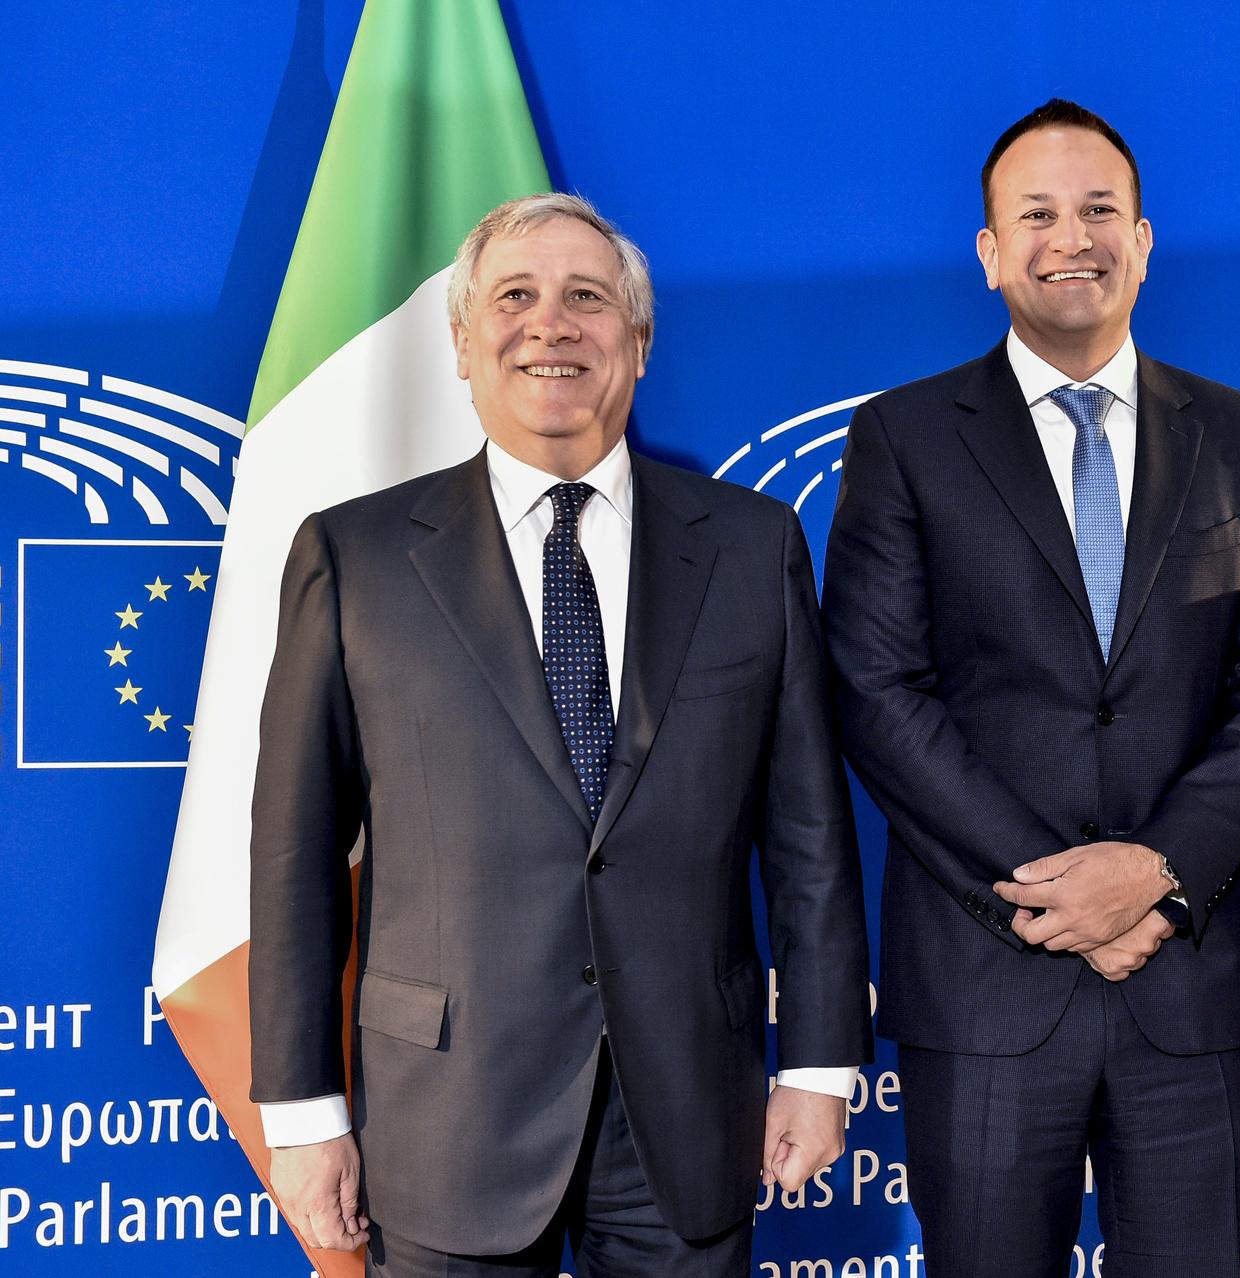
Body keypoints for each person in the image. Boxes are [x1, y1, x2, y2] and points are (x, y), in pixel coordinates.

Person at [248, 192, 872, 1277]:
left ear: (636, 342)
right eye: (515, 297)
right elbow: (296, 854)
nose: (552, 325)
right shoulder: (354, 558)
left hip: (685, 1107)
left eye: (589, 298)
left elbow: (810, 834)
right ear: (461, 340)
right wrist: (302, 1110)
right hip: (448, 1114)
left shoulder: (752, 546)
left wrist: (817, 1065)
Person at [822, 99, 1240, 1275]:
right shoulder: (903, 438)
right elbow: (878, 692)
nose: (1073, 238)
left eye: (1100, 210)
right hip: (988, 987)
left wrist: (1154, 875)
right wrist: (1062, 895)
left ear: (1145, 242)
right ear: (991, 253)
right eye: (1037, 214)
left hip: (1189, 984)